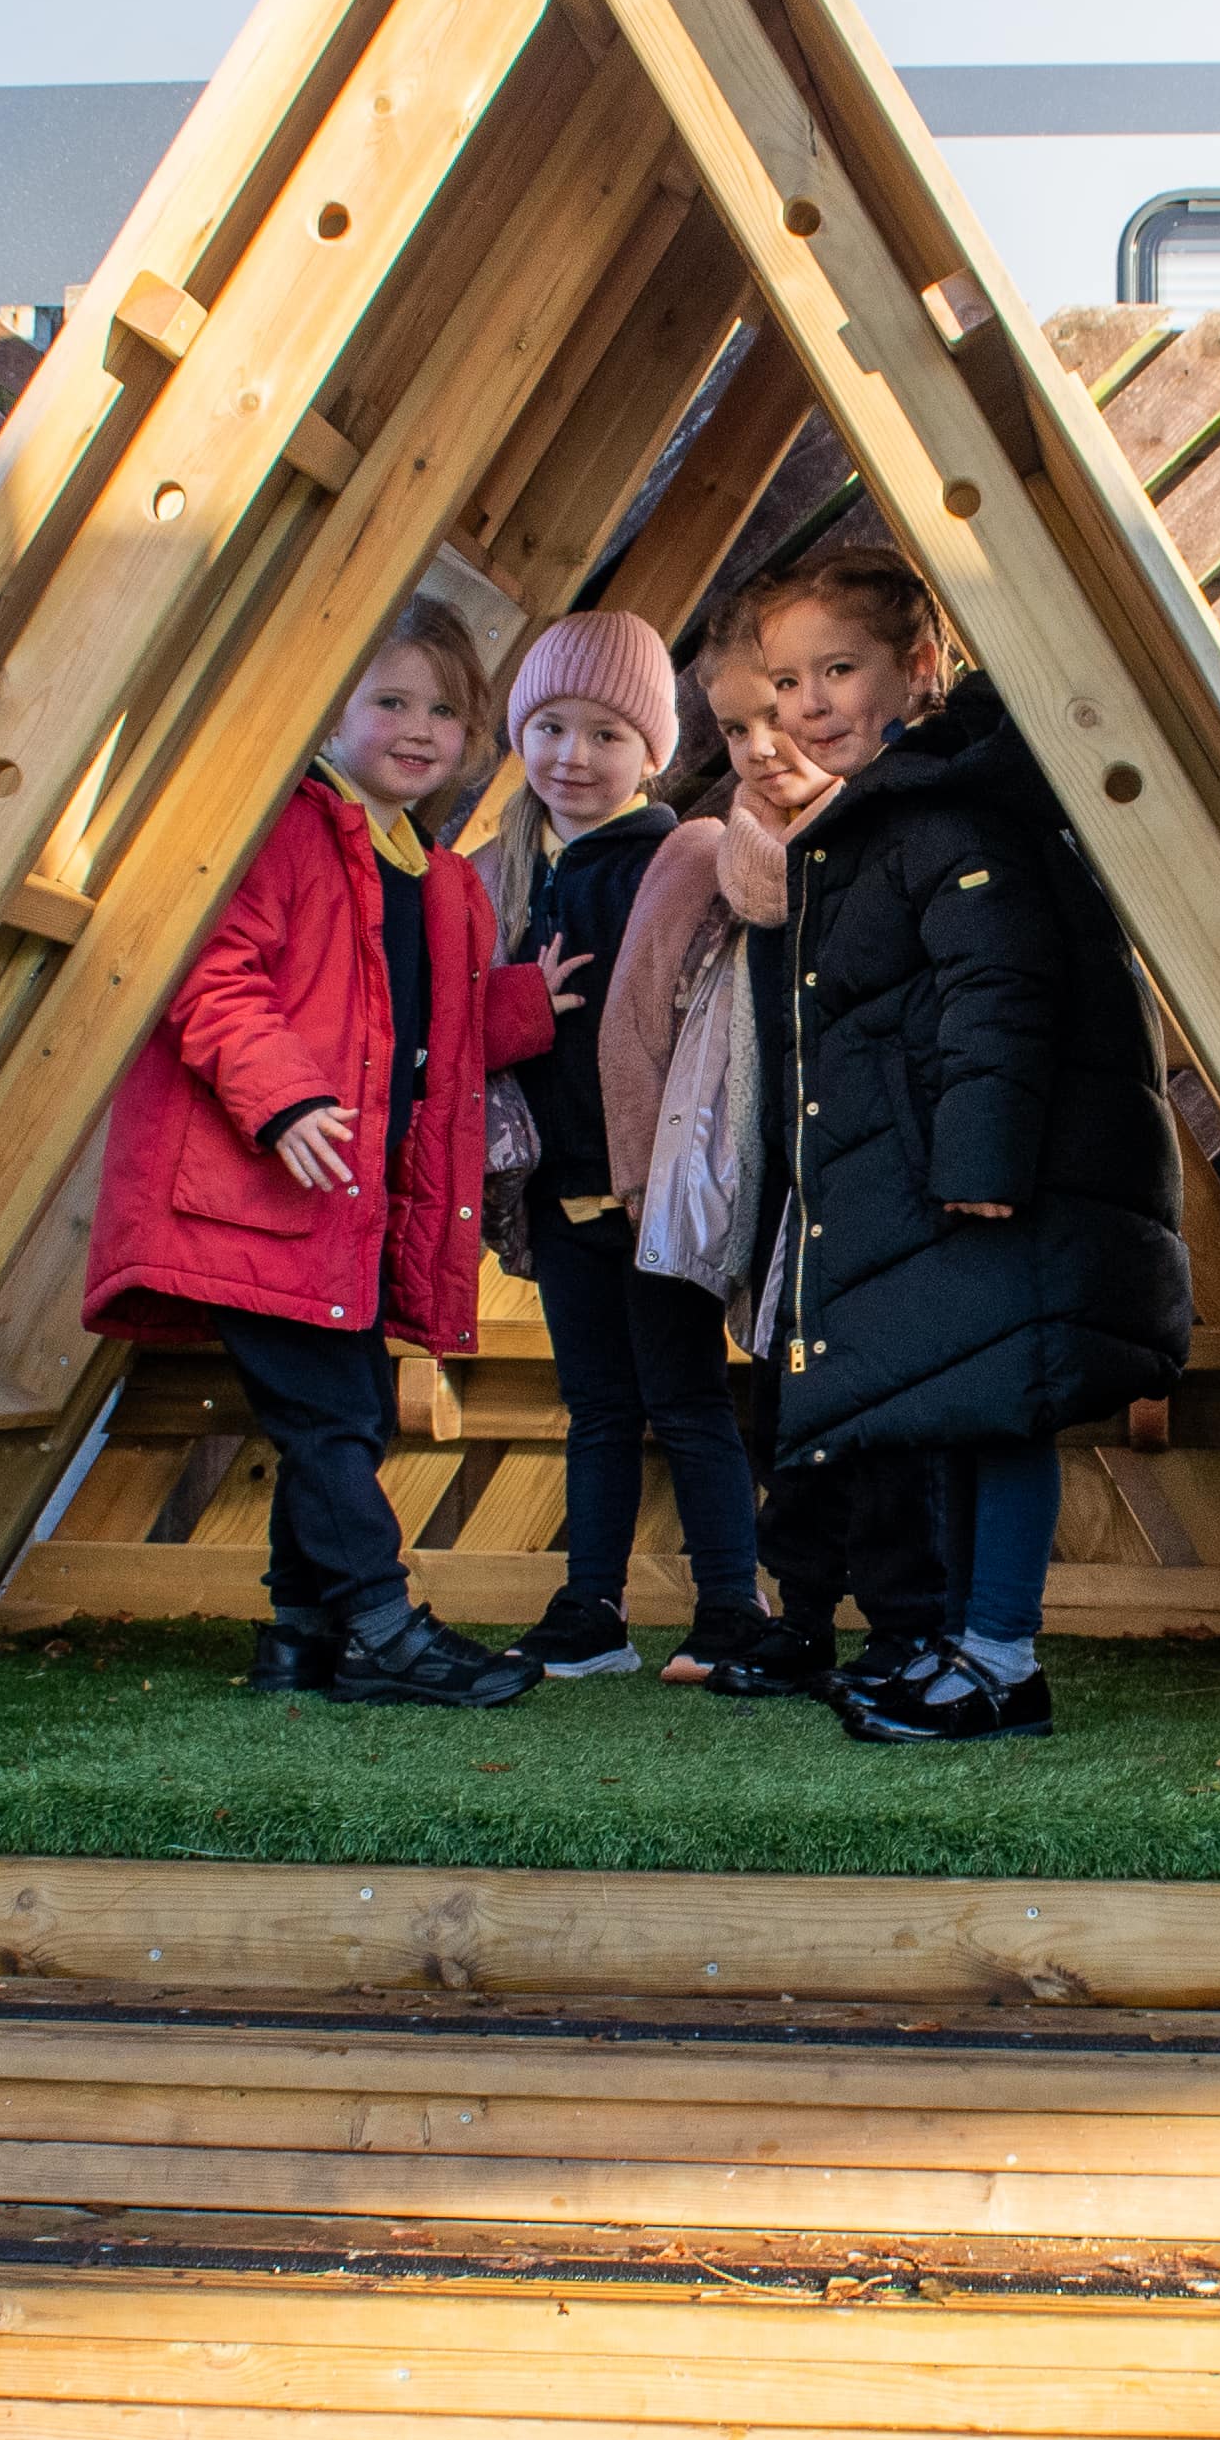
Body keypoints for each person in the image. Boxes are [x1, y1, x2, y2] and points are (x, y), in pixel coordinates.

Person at [82, 601, 564, 1711]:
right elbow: (209, 974)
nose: (419, 726)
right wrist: (284, 1097)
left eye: (444, 708)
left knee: (337, 1415)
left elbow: (422, 1033)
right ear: (330, 714)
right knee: (332, 1419)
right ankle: (387, 1631)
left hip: (341, 1202)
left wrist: (530, 1006)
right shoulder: (288, 829)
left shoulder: (437, 877)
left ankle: (302, 1637)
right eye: (389, 700)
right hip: (252, 1191)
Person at [745, 544, 1190, 1743]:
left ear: (920, 665)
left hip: (995, 1183)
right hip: (937, 1175)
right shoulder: (895, 813)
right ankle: (957, 1643)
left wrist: (982, 1160)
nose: (808, 705)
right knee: (957, 1408)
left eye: (838, 670)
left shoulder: (949, 808)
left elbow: (1002, 987)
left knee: (1002, 1415)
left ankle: (999, 1658)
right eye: (785, 684)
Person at [597, 640, 936, 1693]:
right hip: (775, 1178)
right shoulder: (717, 859)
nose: (756, 748)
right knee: (785, 1412)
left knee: (880, 1413)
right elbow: (640, 1020)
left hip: (879, 1172)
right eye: (734, 729)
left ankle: (905, 1631)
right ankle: (798, 1622)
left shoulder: (892, 843)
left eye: (777, 718)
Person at [478, 612, 761, 1679]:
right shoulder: (511, 872)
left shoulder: (683, 857)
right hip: (557, 1198)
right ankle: (589, 1606)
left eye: (606, 734)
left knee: (688, 1402)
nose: (573, 756)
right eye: (550, 727)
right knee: (596, 1407)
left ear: (653, 749)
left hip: (653, 1193)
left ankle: (731, 1603)